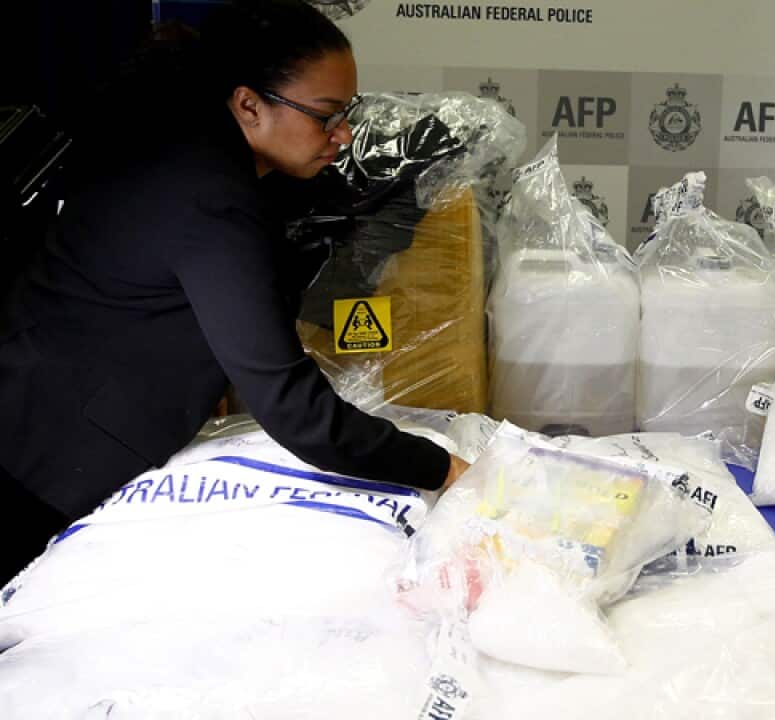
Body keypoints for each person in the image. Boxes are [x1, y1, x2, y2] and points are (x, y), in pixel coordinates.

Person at [0, 0, 469, 581]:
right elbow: (295, 411)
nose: (343, 134)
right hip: (41, 461)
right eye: (326, 116)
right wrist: (444, 469)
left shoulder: (187, 153)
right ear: (248, 105)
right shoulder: (208, 197)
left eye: (347, 114)